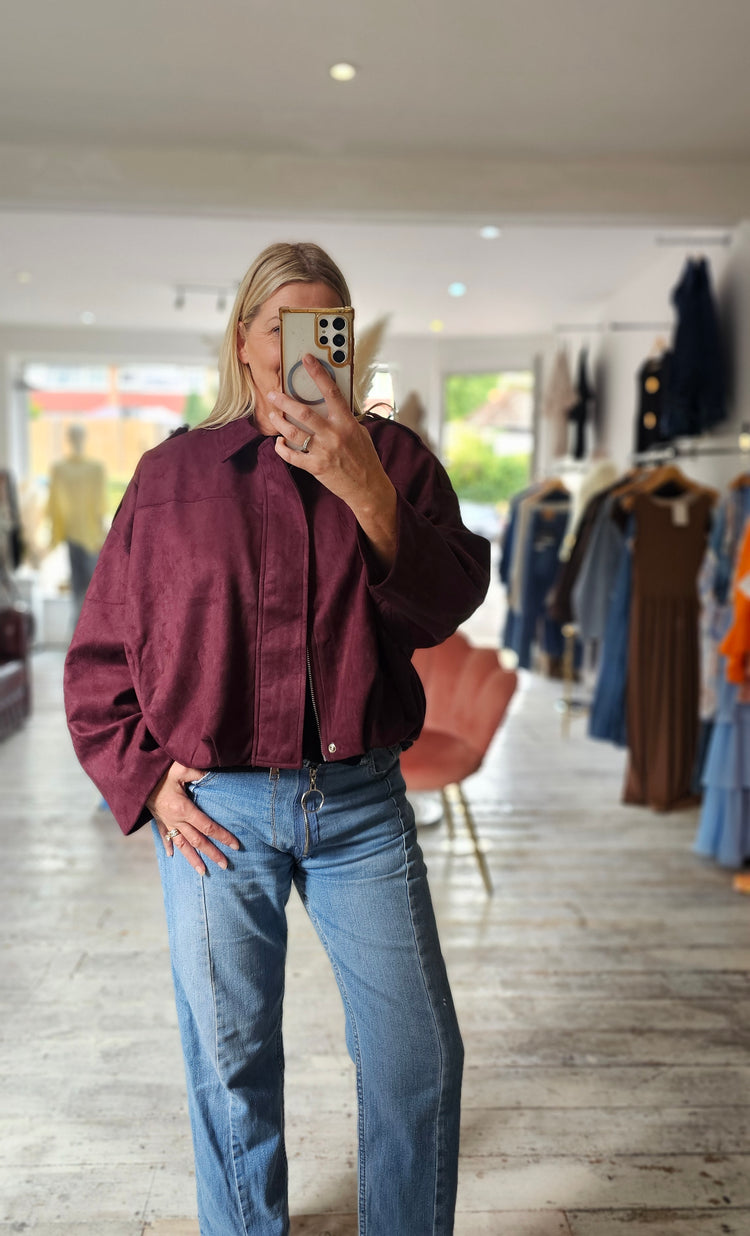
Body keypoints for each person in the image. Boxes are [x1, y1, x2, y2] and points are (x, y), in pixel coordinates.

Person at [64, 242, 490, 1236]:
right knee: (229, 1059)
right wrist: (145, 777)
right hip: (219, 813)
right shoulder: (171, 477)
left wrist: (366, 489)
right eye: (285, 327)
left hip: (362, 808)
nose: (308, 351)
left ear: (342, 346)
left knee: (415, 1055)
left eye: (327, 329)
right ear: (247, 348)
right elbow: (99, 652)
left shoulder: (396, 462)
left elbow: (449, 601)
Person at [48, 424, 106, 621]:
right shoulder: (60, 469)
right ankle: (79, 636)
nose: (77, 439)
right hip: (75, 535)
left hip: (91, 536)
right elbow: (55, 504)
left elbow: (100, 505)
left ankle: (89, 634)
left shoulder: (95, 468)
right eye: (74, 436)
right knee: (79, 590)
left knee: (92, 589)